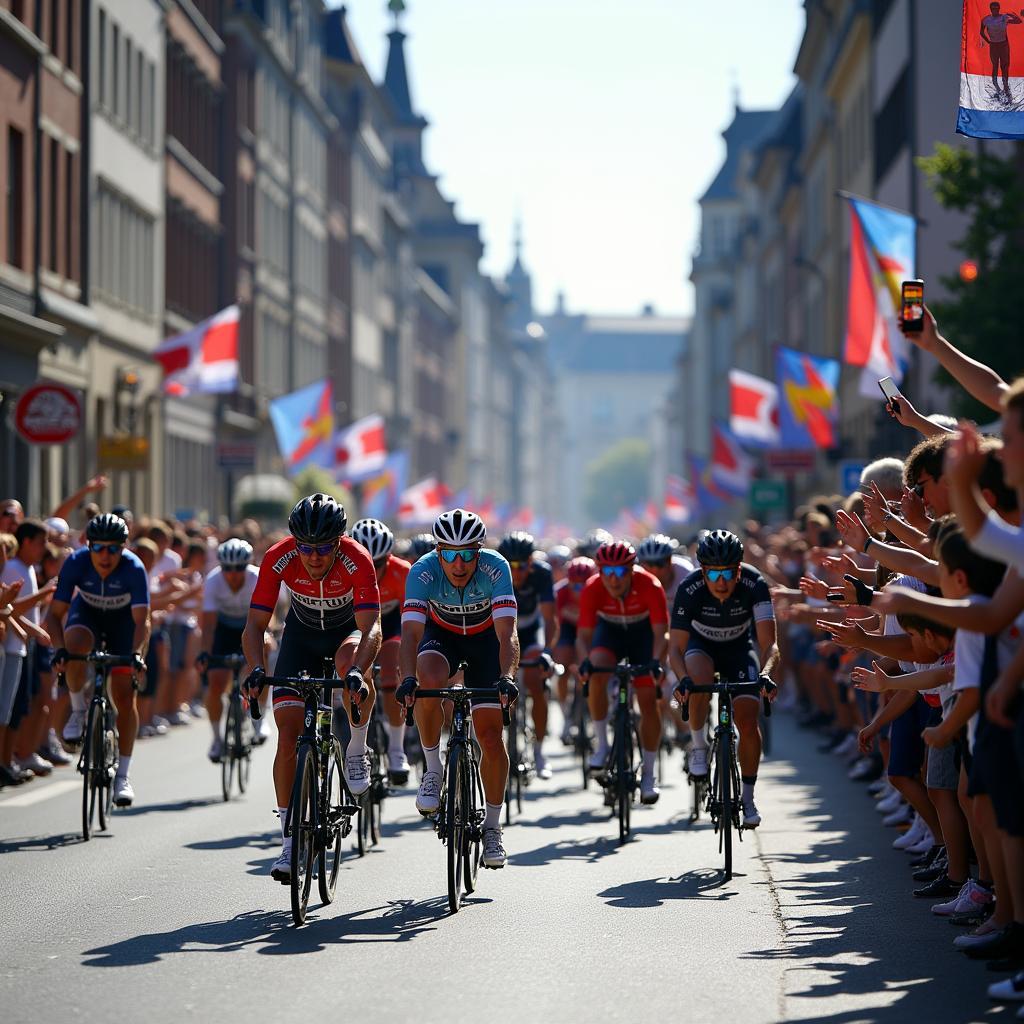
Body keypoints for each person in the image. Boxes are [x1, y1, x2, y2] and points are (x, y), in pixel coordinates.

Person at [242, 493, 382, 883]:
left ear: (338, 542)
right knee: (287, 737)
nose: (314, 556)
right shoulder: (278, 557)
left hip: (345, 634)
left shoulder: (357, 558)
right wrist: (255, 669)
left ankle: (356, 746)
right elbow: (255, 626)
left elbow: (372, 626)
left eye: (323, 548)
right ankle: (289, 842)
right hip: (300, 639)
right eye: (306, 547)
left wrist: (358, 670)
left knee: (350, 666)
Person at [396, 508, 519, 869]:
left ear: (478, 553)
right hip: (443, 636)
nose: (459, 563)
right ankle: (433, 769)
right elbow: (410, 636)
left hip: (485, 642)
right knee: (428, 678)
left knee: (491, 738)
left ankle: (493, 828)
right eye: (450, 554)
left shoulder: (496, 568)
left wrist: (507, 677)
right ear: (438, 553)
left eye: (467, 554)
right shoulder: (422, 571)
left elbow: (506, 633)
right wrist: (407, 679)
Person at [668, 529, 779, 828]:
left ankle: (748, 797)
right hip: (700, 647)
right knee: (698, 678)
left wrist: (766, 673)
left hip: (740, 649)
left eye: (728, 574)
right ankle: (699, 747)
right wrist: (682, 680)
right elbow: (675, 649)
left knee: (747, 720)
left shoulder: (754, 583)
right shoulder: (689, 588)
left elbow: (770, 645)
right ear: (702, 571)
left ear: (738, 570)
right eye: (713, 576)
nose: (721, 583)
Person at [46, 514, 150, 807]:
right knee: (75, 645)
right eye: (99, 548)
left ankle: (123, 777)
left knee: (124, 694)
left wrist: (135, 655)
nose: (106, 555)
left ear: (124, 548)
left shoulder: (134, 568)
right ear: (88, 546)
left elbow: (142, 622)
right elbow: (54, 616)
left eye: (114, 549)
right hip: (87, 614)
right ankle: (79, 710)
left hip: (124, 624)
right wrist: (59, 650)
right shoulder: (76, 563)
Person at [575, 539, 667, 805]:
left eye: (620, 573)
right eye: (607, 573)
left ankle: (649, 774)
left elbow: (662, 634)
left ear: (632, 571)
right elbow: (583, 637)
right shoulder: (592, 588)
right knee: (596, 670)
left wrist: (655, 662)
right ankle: (602, 744)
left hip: (643, 636)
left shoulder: (650, 585)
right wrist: (585, 663)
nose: (613, 580)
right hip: (610, 633)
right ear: (600, 572)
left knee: (648, 699)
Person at [351, 517, 412, 785]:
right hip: (356, 626)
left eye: (377, 564)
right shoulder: (346, 569)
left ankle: (397, 749)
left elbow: (411, 622)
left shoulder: (402, 571)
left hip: (390, 626)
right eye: (365, 561)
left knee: (390, 676)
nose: (371, 569)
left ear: (388, 557)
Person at [497, 531, 556, 778]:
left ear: (531, 562)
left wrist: (548, 652)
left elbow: (550, 620)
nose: (517, 571)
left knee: (534, 681)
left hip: (530, 633)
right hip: (500, 632)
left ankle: (540, 751)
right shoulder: (495, 574)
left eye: (522, 565)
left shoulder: (542, 574)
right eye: (511, 565)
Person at [197, 539, 261, 762]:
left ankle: (258, 723)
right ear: (221, 567)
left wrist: (268, 635)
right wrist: (205, 652)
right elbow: (209, 625)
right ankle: (216, 738)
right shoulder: (213, 580)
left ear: (247, 566)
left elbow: (267, 617)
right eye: (228, 568)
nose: (233, 574)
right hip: (223, 629)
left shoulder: (257, 578)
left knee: (258, 669)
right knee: (215, 683)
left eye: (239, 568)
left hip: (250, 625)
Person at [552, 556, 597, 742]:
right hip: (567, 628)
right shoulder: (559, 592)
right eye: (575, 586)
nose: (580, 591)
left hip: (590, 628)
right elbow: (555, 627)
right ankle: (566, 715)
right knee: (563, 666)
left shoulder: (598, 590)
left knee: (589, 665)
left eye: (584, 586)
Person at [981, 2, 1022, 99]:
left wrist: (1010, 14)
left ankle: (1005, 84)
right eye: (993, 8)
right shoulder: (987, 19)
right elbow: (981, 32)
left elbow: (1018, 21)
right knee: (995, 65)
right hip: (994, 45)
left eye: (996, 8)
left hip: (1003, 44)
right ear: (990, 9)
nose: (994, 10)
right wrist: (988, 41)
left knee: (1005, 65)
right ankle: (996, 86)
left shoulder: (1003, 17)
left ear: (999, 8)